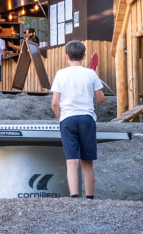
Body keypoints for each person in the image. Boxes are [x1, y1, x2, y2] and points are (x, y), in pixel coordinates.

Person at [50, 40, 104, 199]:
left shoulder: (60, 74)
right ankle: (90, 198)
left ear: (66, 56)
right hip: (87, 119)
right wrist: (96, 78)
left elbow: (54, 103)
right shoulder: (91, 74)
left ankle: (74, 197)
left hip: (68, 119)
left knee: (72, 161)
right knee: (87, 161)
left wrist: (61, 118)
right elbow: (100, 100)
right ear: (84, 56)